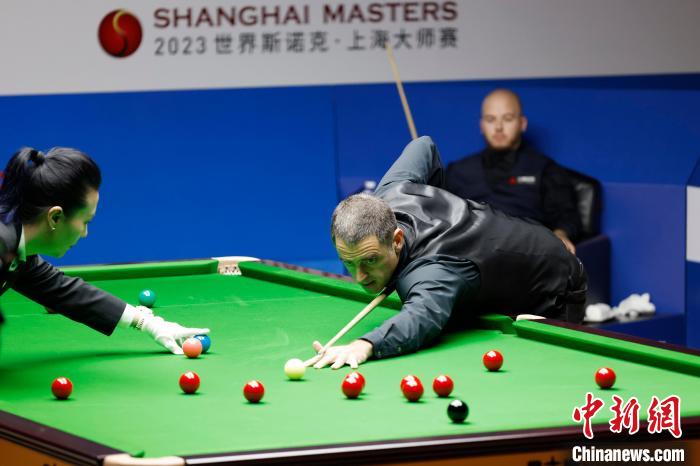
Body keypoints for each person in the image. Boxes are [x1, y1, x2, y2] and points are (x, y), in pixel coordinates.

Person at [309, 136, 586, 370]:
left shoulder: (434, 270)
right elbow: (423, 146)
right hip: (500, 264)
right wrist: (439, 204)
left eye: (371, 260)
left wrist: (364, 345)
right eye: (349, 262)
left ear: (397, 240)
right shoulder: (389, 193)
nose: (360, 276)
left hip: (553, 280)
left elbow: (420, 319)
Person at [0, 147, 208, 354]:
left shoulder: (16, 247)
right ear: (55, 217)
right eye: (86, 221)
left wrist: (149, 323)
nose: (85, 233)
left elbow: (61, 290)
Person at [445, 89, 580, 253]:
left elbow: (567, 217)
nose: (498, 127)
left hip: (525, 252)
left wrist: (560, 235)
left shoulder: (545, 169)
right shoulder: (457, 170)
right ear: (481, 125)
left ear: (522, 124)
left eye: (507, 119)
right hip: (466, 253)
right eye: (490, 119)